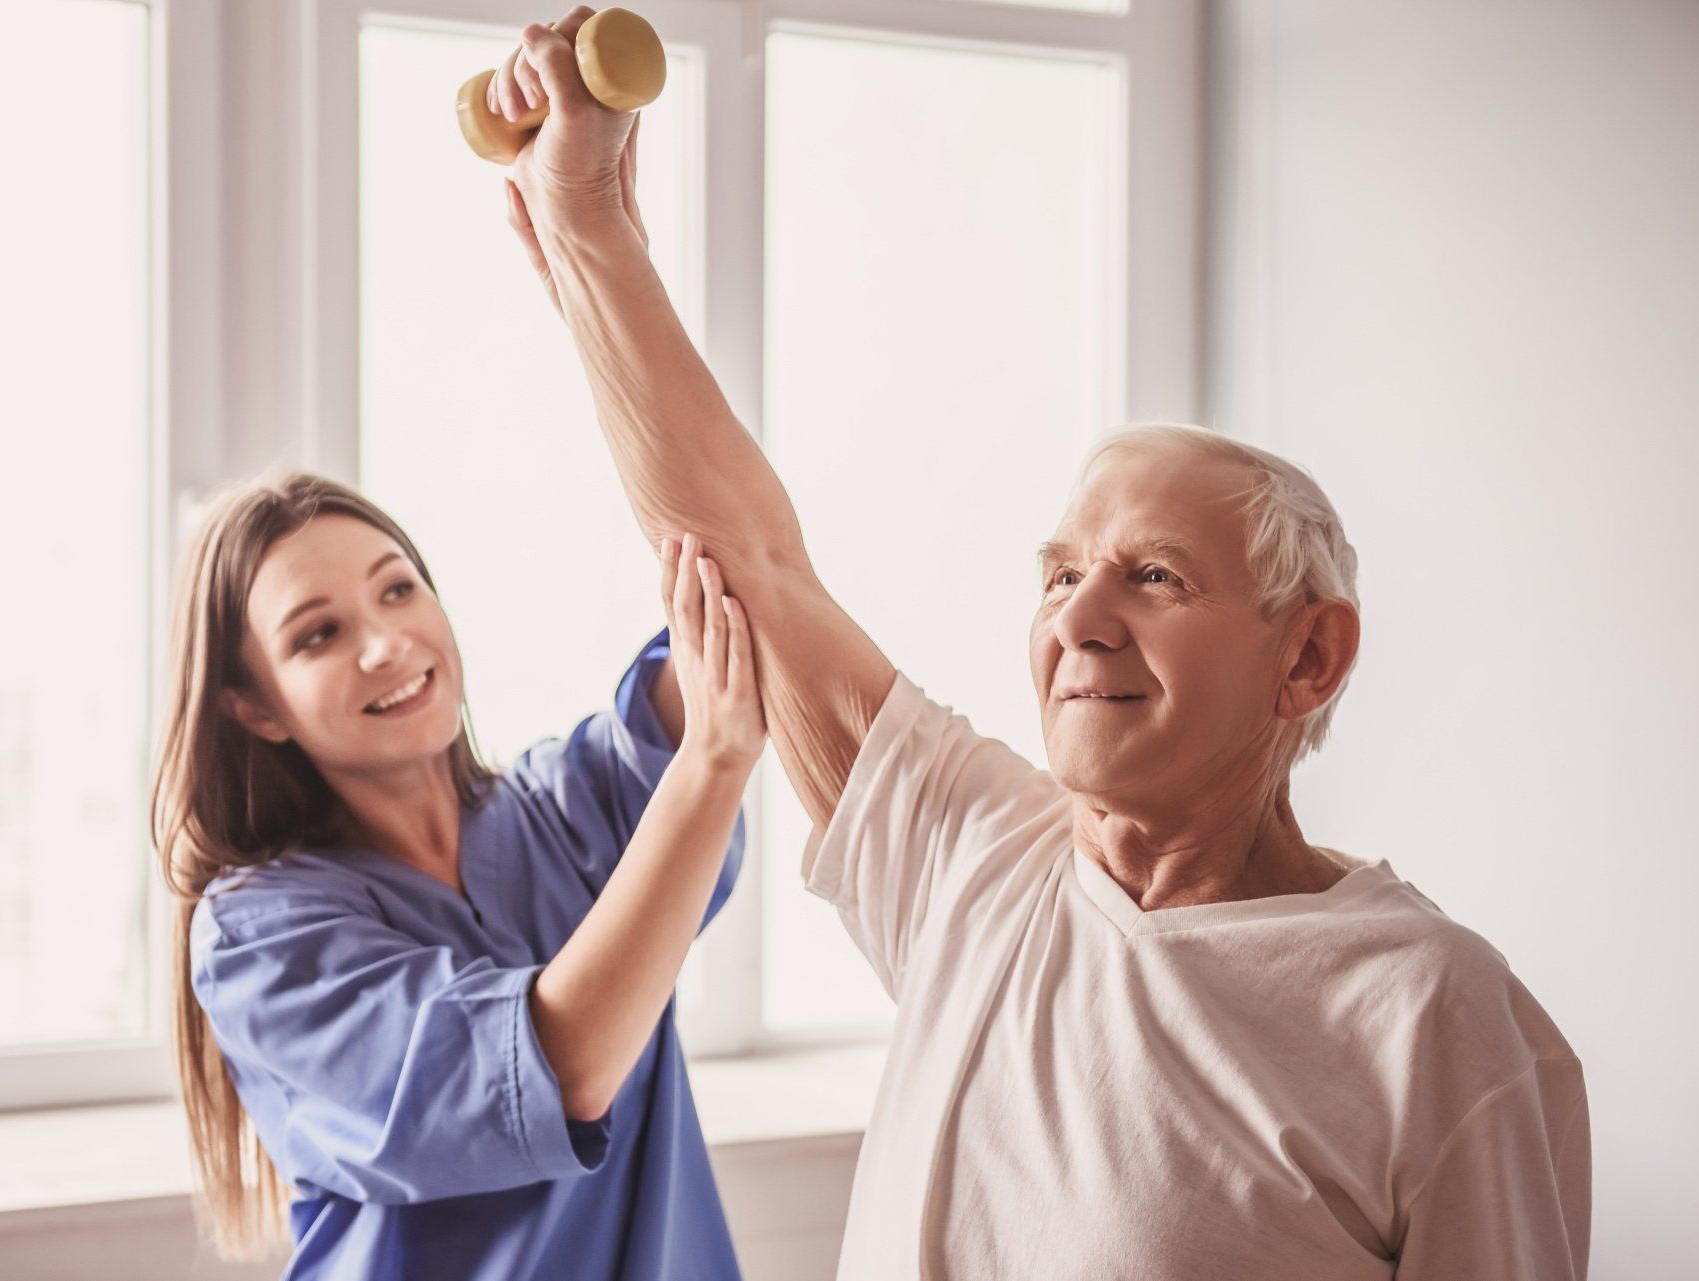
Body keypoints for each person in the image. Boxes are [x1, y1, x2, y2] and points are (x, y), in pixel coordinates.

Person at [488, 11, 1591, 1278]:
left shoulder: (1434, 1014)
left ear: (1310, 660)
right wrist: (588, 225)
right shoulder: (976, 860)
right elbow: (748, 562)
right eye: (1061, 573)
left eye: (1155, 576)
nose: (1076, 618)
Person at [151, 471, 762, 1280]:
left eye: (397, 589)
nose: (385, 644)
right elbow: (566, 1066)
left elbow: (742, 585)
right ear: (253, 708)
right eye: (318, 635)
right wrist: (712, 763)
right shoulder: (259, 941)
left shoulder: (571, 804)